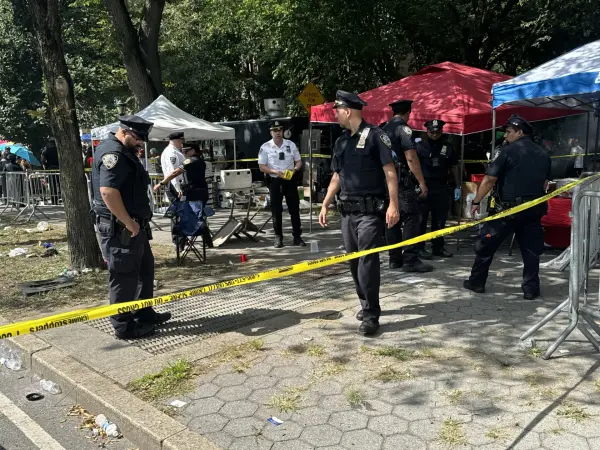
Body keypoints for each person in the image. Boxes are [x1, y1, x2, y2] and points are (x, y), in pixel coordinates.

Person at [319, 91, 399, 335]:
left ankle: (372, 314)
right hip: (347, 213)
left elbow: (390, 172)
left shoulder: (376, 136)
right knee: (354, 261)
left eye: (337, 111)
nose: (335, 115)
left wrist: (394, 204)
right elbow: (337, 176)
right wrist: (325, 203)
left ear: (348, 111)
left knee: (367, 260)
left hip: (370, 213)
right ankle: (365, 304)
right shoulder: (341, 141)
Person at [91, 115, 171, 339]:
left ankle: (144, 313)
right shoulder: (113, 154)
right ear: (124, 132)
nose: (140, 144)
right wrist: (128, 222)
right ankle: (124, 326)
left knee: (145, 270)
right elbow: (108, 192)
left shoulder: (125, 152)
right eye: (137, 139)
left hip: (135, 226)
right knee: (124, 276)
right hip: (120, 228)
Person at [464, 114, 551, 299]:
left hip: (507, 211)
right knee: (531, 252)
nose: (505, 136)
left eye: (509, 132)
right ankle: (530, 289)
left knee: (485, 246)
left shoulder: (507, 151)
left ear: (519, 132)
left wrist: (477, 201)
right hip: (533, 210)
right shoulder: (543, 153)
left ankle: (477, 282)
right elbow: (545, 182)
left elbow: (489, 179)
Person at [383, 100, 432, 273]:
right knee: (412, 217)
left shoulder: (383, 129)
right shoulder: (403, 129)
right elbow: (410, 157)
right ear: (409, 112)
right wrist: (421, 181)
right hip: (402, 181)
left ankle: (394, 259)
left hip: (385, 180)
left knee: (392, 218)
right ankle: (411, 258)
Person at [416, 119, 461, 258]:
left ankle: (438, 247)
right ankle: (419, 248)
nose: (434, 134)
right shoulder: (419, 146)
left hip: (441, 186)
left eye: (437, 131)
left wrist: (458, 185)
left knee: (440, 220)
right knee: (421, 220)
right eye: (431, 131)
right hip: (424, 186)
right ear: (427, 131)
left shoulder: (447, 147)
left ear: (441, 131)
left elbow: (454, 166)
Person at [258, 120, 305, 248]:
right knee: (276, 211)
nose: (278, 133)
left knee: (294, 209)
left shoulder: (290, 144)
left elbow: (299, 162)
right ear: (271, 132)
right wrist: (275, 172)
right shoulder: (265, 147)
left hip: (290, 179)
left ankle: (297, 237)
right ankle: (278, 237)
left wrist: (294, 170)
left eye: (279, 130)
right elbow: (262, 167)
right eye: (275, 130)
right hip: (275, 180)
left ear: (283, 131)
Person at [160, 131, 186, 246]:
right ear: (177, 141)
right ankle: (178, 240)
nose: (182, 144)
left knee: (179, 213)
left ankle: (179, 239)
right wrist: (178, 188)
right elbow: (173, 172)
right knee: (178, 214)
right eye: (181, 141)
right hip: (174, 185)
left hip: (175, 185)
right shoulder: (171, 153)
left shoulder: (173, 151)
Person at [41, 138, 61, 204]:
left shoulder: (46, 150)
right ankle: (62, 198)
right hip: (60, 169)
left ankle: (54, 200)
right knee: (61, 184)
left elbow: (42, 160)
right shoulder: (59, 150)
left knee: (53, 185)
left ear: (49, 143)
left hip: (51, 169)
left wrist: (45, 166)